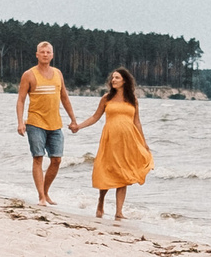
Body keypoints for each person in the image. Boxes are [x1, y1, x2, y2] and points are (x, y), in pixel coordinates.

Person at [73, 67, 152, 220]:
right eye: (112, 78)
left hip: (128, 141)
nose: (113, 80)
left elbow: (137, 122)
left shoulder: (132, 99)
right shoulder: (106, 98)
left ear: (124, 81)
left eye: (117, 78)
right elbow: (95, 117)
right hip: (110, 139)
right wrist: (78, 126)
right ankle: (101, 201)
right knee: (107, 170)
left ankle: (119, 211)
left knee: (124, 174)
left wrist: (144, 142)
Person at [15, 41, 80, 205]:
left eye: (48, 52)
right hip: (35, 122)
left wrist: (73, 119)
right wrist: (20, 122)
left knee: (56, 160)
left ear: (52, 55)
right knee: (38, 157)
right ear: (37, 54)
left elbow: (64, 97)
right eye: (42, 52)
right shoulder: (29, 75)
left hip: (55, 124)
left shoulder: (58, 73)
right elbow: (21, 100)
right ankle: (41, 197)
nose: (45, 54)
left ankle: (45, 191)